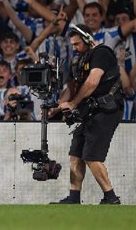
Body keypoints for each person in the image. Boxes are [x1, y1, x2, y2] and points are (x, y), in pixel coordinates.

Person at [52, 24, 123, 205]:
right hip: (90, 111)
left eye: (77, 44)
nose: (74, 48)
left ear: (88, 40)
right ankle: (74, 197)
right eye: (72, 45)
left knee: (92, 156)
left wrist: (74, 104)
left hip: (106, 110)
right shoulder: (78, 61)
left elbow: (92, 82)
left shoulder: (102, 53)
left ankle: (111, 197)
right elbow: (71, 87)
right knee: (76, 153)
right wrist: (58, 106)